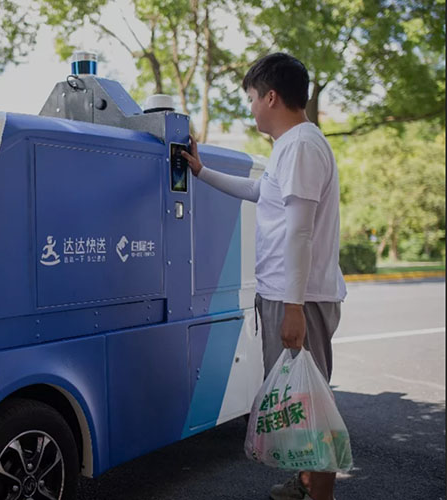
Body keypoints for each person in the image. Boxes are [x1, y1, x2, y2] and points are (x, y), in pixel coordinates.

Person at [181, 52, 347, 500]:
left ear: (271, 96)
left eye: (253, 98)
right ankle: (306, 481)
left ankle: (319, 493)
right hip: (289, 295)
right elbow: (258, 191)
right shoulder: (290, 148)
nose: (251, 107)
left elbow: (300, 231)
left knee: (310, 403)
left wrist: (292, 307)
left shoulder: (302, 147)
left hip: (301, 299)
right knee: (296, 403)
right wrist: (201, 172)